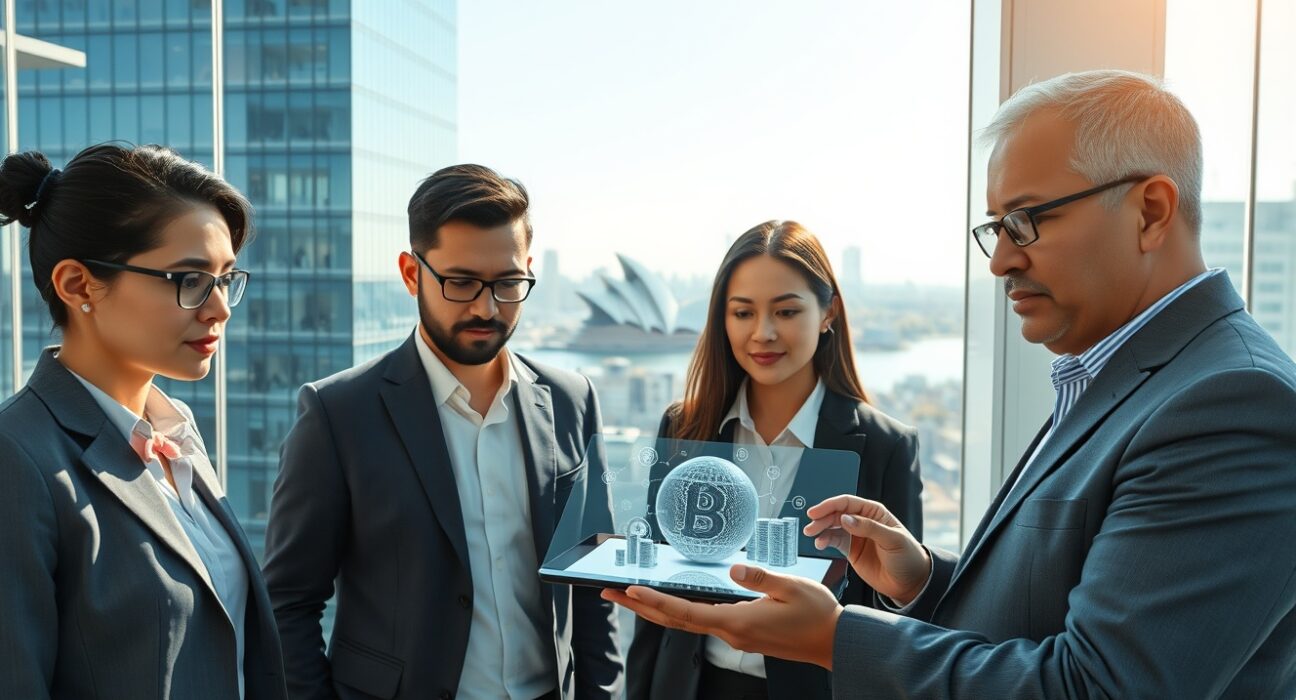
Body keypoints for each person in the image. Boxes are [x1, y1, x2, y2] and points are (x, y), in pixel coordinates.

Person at [605, 70, 1296, 698]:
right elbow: (1052, 608)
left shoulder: (1231, 405)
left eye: (1026, 220)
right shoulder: (1130, 378)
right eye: (995, 228)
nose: (1000, 261)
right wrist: (925, 580)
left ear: (1150, 211)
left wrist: (836, 638)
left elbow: (1096, 687)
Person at [264, 164, 623, 700]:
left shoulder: (572, 400)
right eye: (461, 283)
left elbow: (593, 585)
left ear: (528, 270)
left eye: (507, 283)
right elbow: (288, 602)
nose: (486, 307)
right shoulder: (338, 414)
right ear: (412, 273)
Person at [0, 144, 286, 699]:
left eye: (225, 278)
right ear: (78, 285)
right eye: (190, 279)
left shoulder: (175, 430)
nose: (220, 308)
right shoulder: (19, 458)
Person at [626, 220, 923, 700]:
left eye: (786, 311)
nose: (762, 333)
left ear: (828, 312)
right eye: (742, 313)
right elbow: (656, 581)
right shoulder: (685, 427)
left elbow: (897, 612)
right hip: (688, 686)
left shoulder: (884, 446)